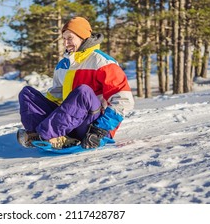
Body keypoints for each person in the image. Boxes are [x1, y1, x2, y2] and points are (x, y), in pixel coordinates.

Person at [17, 17, 134, 149]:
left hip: (92, 128)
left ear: (82, 37)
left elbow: (124, 100)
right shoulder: (63, 65)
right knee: (27, 94)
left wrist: (99, 129)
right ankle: (40, 136)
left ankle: (45, 135)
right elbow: (55, 97)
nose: (66, 43)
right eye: (64, 39)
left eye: (70, 38)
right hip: (68, 125)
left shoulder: (103, 63)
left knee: (83, 92)